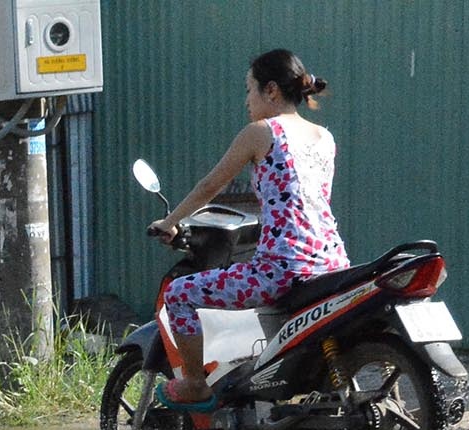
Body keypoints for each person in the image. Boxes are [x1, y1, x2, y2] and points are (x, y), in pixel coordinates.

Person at [146, 49, 349, 409]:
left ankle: (195, 383)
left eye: (249, 89)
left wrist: (170, 221)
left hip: (282, 270)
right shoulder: (323, 137)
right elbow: (300, 200)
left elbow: (211, 186)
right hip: (332, 264)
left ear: (271, 91)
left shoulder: (260, 132)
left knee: (179, 294)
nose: (246, 100)